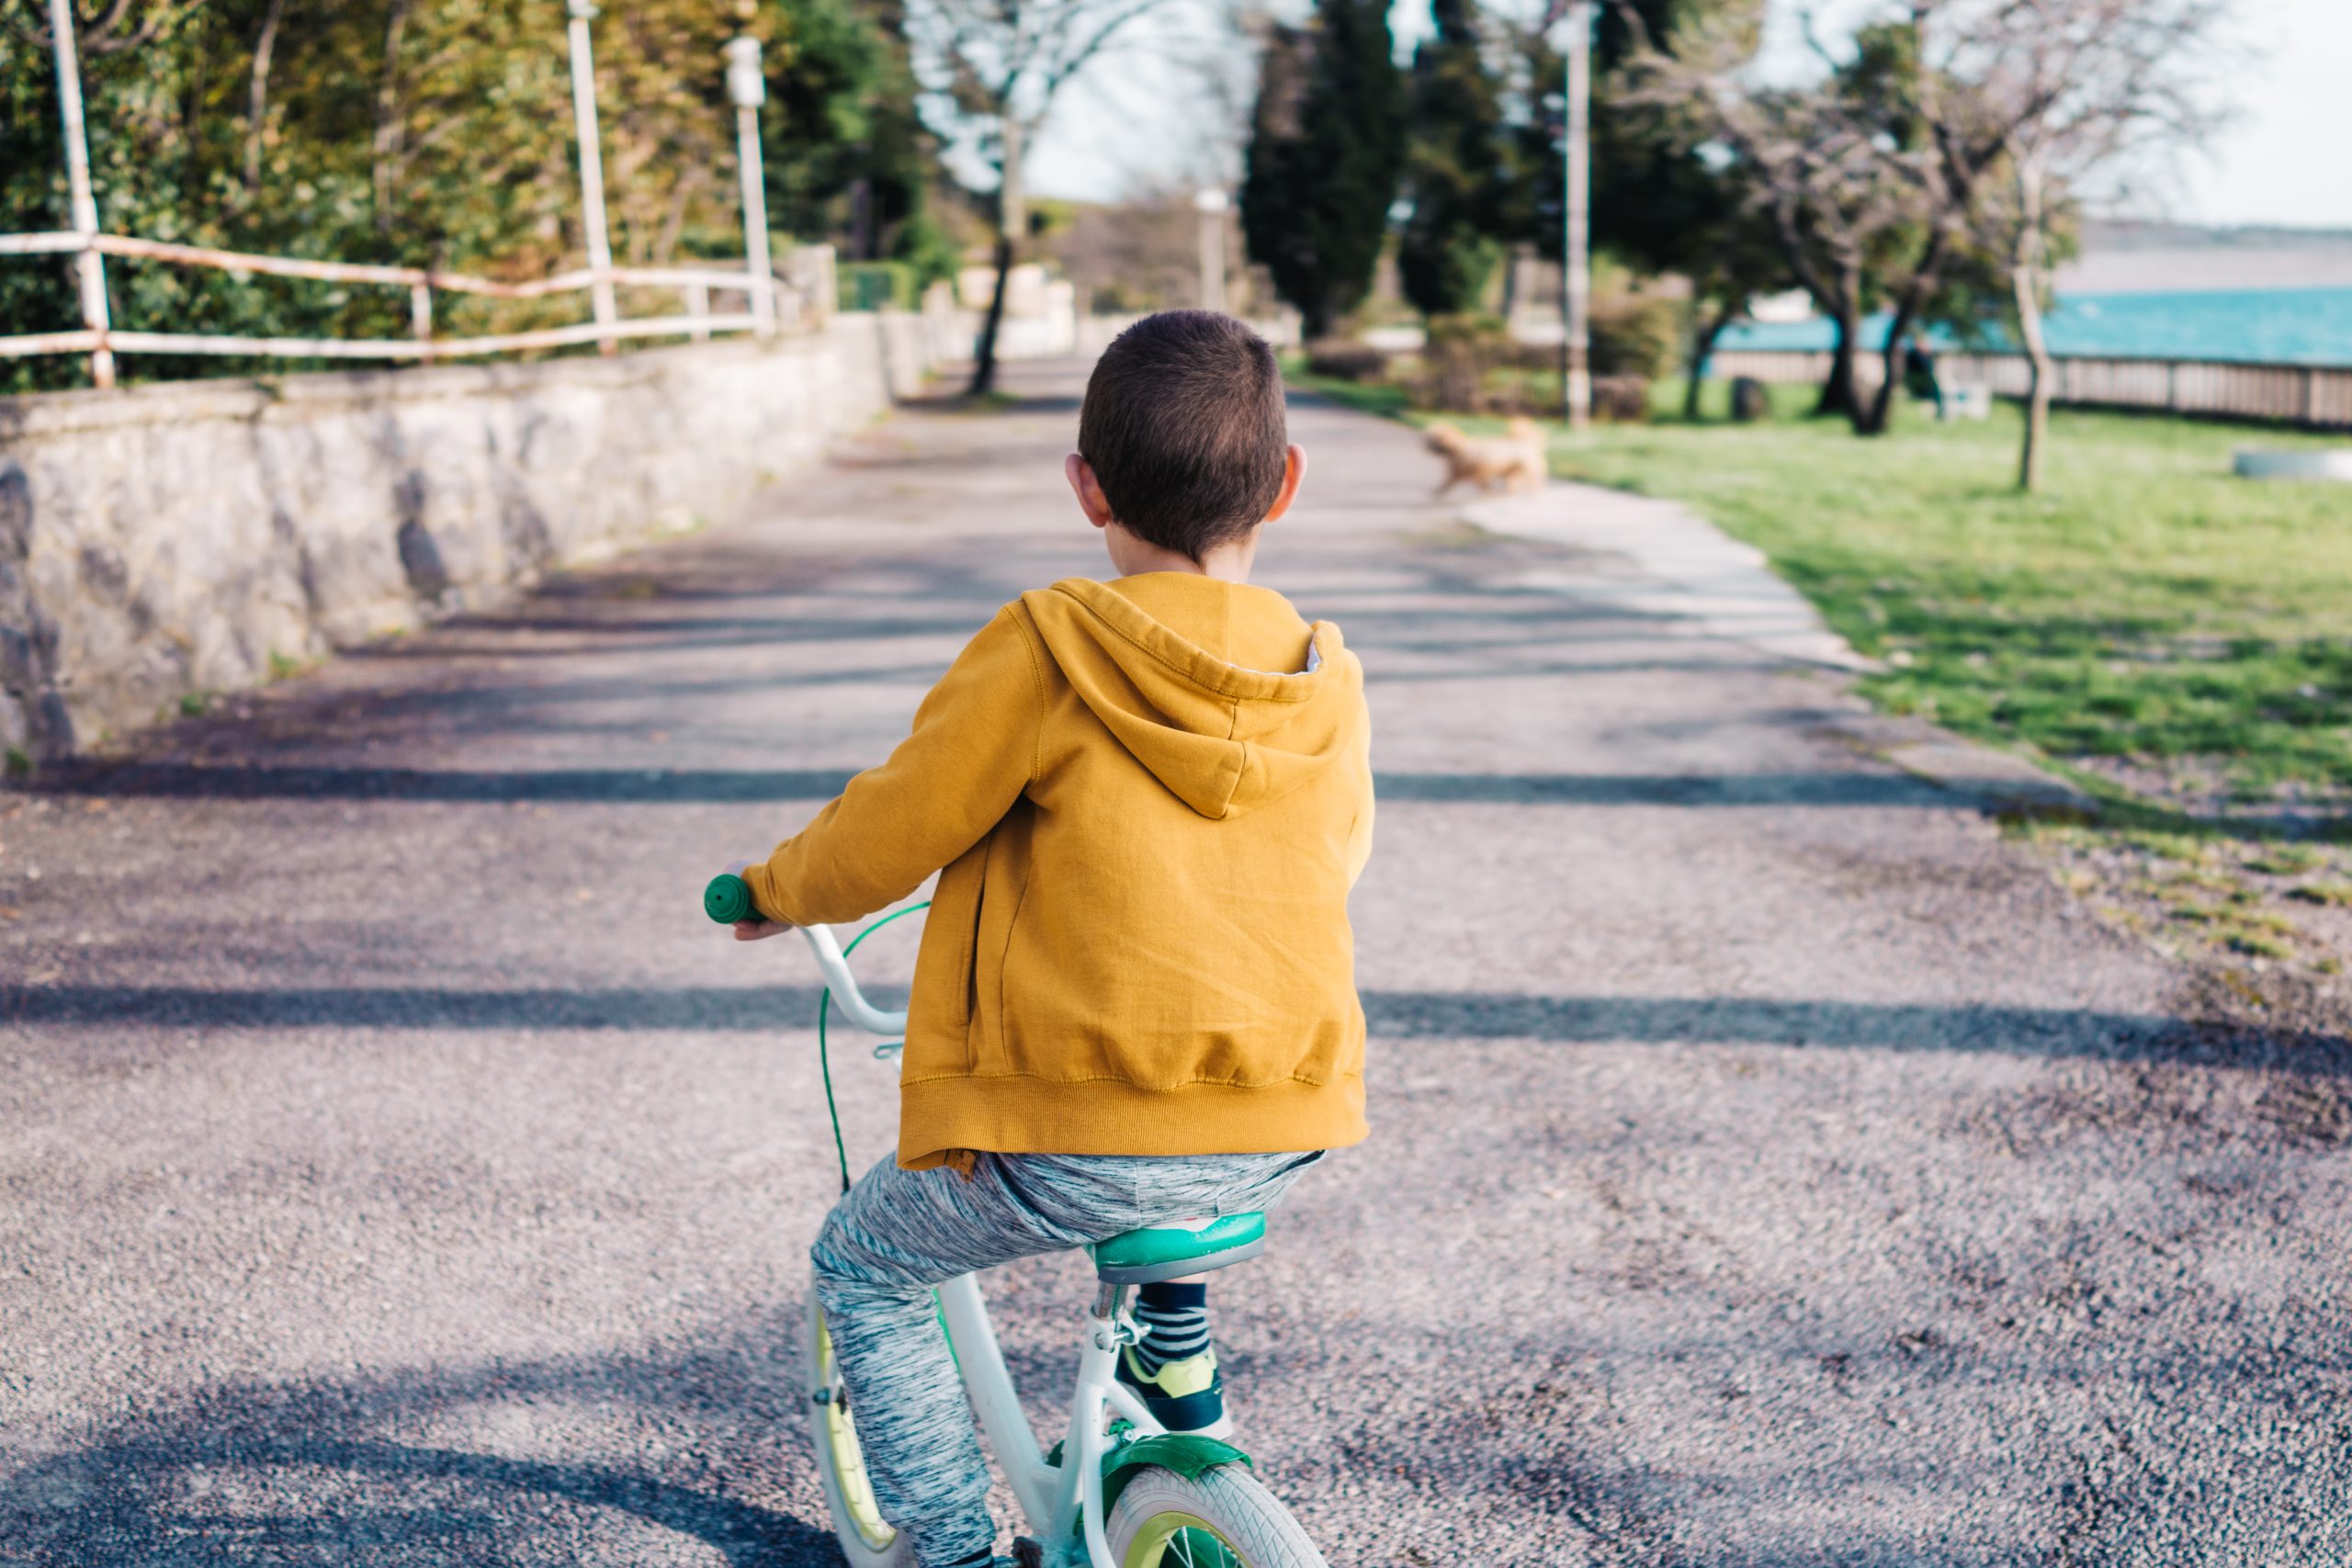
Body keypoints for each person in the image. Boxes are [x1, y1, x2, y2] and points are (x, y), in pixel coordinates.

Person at [725, 310, 1374, 1568]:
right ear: (1285, 486)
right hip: (1289, 1117)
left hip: (1083, 1131)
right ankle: (1176, 1359)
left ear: (1086, 489)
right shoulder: (1322, 674)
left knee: (865, 1266)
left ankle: (953, 1549)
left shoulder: (1047, 643)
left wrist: (774, 890)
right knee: (1179, 1137)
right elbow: (1338, 853)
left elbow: (892, 828)